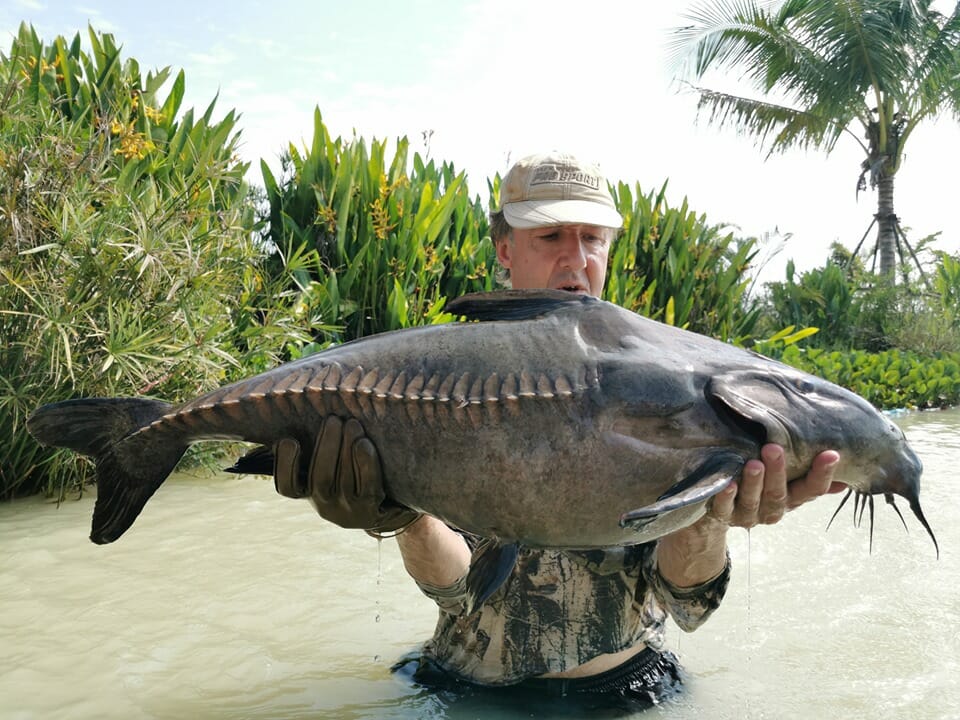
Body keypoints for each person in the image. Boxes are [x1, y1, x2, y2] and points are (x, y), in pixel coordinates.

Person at [271, 152, 843, 711]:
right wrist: (401, 515)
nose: (575, 259)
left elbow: (688, 604)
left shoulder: (669, 380)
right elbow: (457, 590)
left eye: (592, 238)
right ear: (505, 249)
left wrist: (712, 514)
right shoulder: (439, 377)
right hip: (466, 689)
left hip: (628, 691)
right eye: (550, 237)